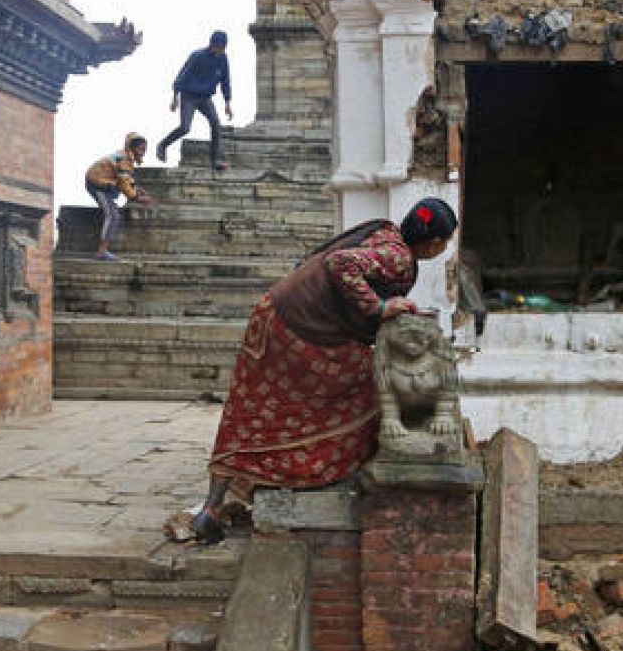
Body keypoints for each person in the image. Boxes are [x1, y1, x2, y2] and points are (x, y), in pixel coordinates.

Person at [164, 198, 460, 544]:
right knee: (370, 388)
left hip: (273, 313)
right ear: (436, 243)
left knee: (249, 413)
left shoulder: (384, 231)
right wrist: (379, 307)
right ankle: (325, 474)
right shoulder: (398, 257)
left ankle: (211, 510)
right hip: (298, 331)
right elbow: (339, 263)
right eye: (446, 243)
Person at [159, 30, 233, 168]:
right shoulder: (198, 56)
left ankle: (215, 160)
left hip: (205, 98)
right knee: (185, 127)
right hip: (189, 96)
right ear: (212, 45)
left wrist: (227, 102)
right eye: (219, 47)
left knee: (216, 124)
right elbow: (182, 76)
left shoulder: (223, 58)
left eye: (223, 48)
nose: (221, 51)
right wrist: (175, 97)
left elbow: (225, 80)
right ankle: (163, 145)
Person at [84, 133, 153, 261]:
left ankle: (102, 251)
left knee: (112, 211)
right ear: (132, 148)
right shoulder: (124, 159)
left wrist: (135, 188)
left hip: (104, 182)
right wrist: (137, 197)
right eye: (141, 149)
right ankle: (101, 251)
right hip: (98, 184)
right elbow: (124, 182)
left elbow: (126, 178)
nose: (143, 153)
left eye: (145, 149)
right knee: (113, 215)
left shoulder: (126, 157)